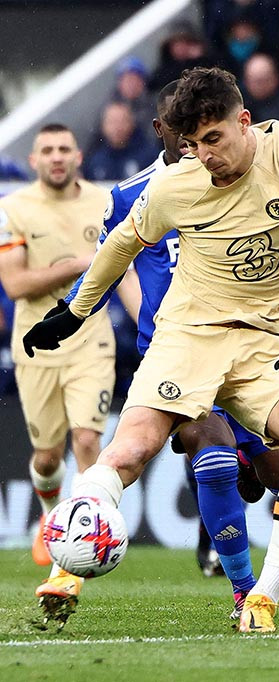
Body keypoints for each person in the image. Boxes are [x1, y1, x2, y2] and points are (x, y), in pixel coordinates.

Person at [23, 66, 279, 633]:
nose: (203, 156)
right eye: (192, 144)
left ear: (244, 121)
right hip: (185, 338)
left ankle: (262, 601)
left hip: (260, 342)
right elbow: (118, 247)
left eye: (213, 140)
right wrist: (73, 312)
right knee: (129, 452)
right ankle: (70, 563)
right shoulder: (168, 187)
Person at [0, 124, 114, 574]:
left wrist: (153, 323)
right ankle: (51, 516)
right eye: (46, 150)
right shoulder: (13, 208)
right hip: (36, 344)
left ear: (78, 156)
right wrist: (80, 264)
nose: (56, 156)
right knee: (47, 457)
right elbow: (15, 283)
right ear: (34, 161)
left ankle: (72, 557)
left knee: (87, 440)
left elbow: (127, 266)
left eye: (64, 148)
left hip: (91, 338)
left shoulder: (104, 203)